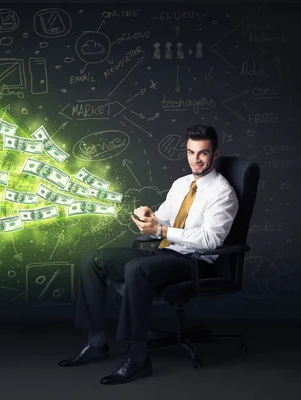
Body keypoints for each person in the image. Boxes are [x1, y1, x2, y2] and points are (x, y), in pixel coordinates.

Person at [59, 125, 239, 385]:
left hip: (194, 263)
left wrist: (163, 230)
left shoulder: (223, 193)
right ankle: (96, 342)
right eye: (190, 152)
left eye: (202, 153)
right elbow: (163, 218)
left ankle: (138, 359)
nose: (195, 159)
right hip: (166, 253)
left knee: (136, 269)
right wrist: (149, 217)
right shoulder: (181, 184)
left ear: (215, 154)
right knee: (92, 260)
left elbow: (211, 241)